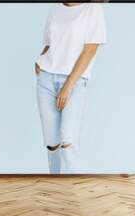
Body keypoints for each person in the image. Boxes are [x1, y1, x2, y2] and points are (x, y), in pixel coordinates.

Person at [35, 3, 107, 174]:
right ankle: (55, 187)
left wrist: (67, 86)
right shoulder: (54, 9)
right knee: (52, 143)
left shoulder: (93, 9)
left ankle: (72, 191)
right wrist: (39, 60)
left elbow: (90, 50)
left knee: (68, 141)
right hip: (46, 79)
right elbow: (49, 44)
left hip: (74, 81)